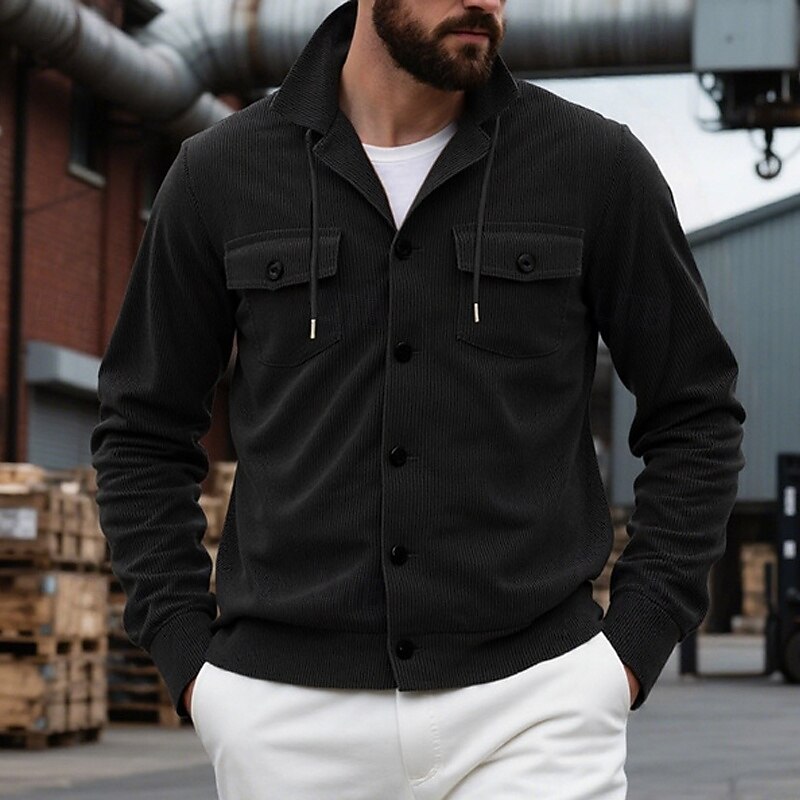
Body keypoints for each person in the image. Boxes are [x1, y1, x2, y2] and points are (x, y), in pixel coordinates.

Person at [90, 0, 746, 797]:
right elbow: (141, 431)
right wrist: (189, 657)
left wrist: (629, 650)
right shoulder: (218, 174)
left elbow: (696, 413)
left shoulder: (595, 166)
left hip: (537, 706)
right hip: (286, 722)